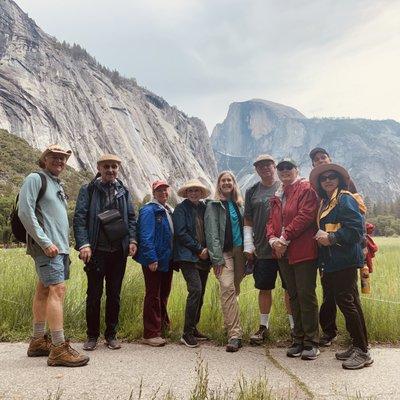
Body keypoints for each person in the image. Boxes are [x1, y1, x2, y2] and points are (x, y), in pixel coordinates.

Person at [19, 144, 89, 367]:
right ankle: (59, 348)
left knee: (43, 290)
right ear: (44, 159)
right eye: (55, 157)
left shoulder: (56, 183)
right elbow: (25, 211)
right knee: (58, 290)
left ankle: (38, 341)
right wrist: (45, 242)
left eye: (63, 158)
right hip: (48, 247)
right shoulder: (35, 178)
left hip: (58, 247)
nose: (60, 161)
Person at [310, 163, 373, 369]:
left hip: (344, 260)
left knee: (346, 302)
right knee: (351, 300)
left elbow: (356, 230)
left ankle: (362, 351)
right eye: (324, 178)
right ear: (320, 183)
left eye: (332, 177)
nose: (327, 180)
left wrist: (331, 237)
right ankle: (359, 346)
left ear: (339, 179)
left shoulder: (345, 198)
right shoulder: (328, 201)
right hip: (334, 261)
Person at [73, 154, 137, 351]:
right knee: (93, 294)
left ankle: (111, 335)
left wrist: (132, 240)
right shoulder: (89, 189)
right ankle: (92, 336)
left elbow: (131, 218)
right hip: (96, 251)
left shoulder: (123, 191)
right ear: (98, 168)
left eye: (114, 167)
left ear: (118, 169)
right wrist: (84, 244)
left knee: (114, 295)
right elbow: (79, 218)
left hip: (118, 251)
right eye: (106, 166)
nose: (111, 170)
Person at [267, 158, 320, 360]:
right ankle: (298, 339)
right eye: (281, 168)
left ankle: (311, 342)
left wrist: (283, 238)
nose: (285, 170)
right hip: (283, 252)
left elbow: (305, 217)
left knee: (306, 295)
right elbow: (270, 221)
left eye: (289, 167)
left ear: (297, 170)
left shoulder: (306, 188)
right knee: (294, 295)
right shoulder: (278, 194)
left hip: (303, 251)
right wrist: (273, 241)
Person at [309, 147, 357, 346]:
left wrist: (360, 243)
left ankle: (358, 342)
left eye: (323, 157)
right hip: (325, 252)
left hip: (344, 249)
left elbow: (357, 219)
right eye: (316, 160)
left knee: (348, 297)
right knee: (329, 294)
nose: (320, 161)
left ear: (329, 159)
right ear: (313, 166)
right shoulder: (317, 190)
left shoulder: (346, 189)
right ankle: (330, 332)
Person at [243, 155, 293, 344]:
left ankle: (294, 328)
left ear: (274, 167)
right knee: (264, 288)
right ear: (256, 169)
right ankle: (263, 327)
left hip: (284, 248)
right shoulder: (252, 191)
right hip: (263, 250)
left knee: (290, 289)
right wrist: (249, 244)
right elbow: (247, 218)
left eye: (268, 165)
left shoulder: (286, 186)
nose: (264, 168)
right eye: (260, 165)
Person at [204, 171, 246, 352]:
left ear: (234, 183)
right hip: (224, 253)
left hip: (240, 253)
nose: (227, 183)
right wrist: (216, 258)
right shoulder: (213, 206)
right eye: (223, 180)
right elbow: (211, 233)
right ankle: (235, 335)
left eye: (230, 180)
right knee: (227, 288)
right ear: (219, 184)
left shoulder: (239, 205)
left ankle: (229, 324)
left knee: (235, 289)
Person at [173, 179, 211, 348]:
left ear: (201, 193)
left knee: (200, 292)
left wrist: (208, 250)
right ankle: (186, 333)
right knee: (195, 289)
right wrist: (198, 249)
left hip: (204, 257)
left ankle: (194, 327)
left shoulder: (204, 208)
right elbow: (180, 233)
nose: (194, 193)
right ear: (186, 193)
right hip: (188, 256)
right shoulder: (181, 209)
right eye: (191, 191)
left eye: (196, 190)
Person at [136, 180, 174, 347]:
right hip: (155, 260)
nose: (163, 193)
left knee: (164, 292)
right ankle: (150, 333)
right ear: (154, 193)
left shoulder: (168, 210)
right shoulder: (148, 210)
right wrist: (151, 258)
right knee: (153, 294)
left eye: (165, 190)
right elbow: (145, 236)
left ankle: (162, 326)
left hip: (166, 259)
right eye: (159, 190)